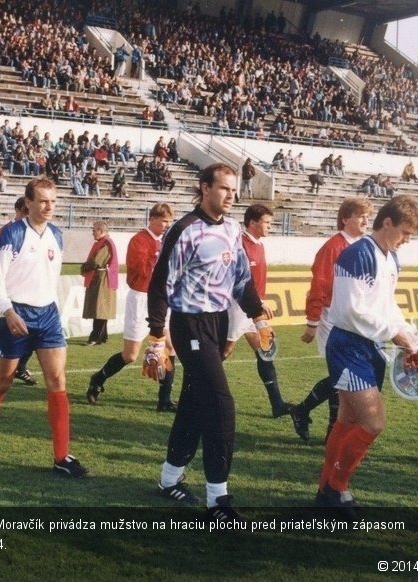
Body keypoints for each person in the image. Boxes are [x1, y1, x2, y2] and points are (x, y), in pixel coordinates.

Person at [147, 163, 271, 520]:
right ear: (204, 188)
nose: (231, 196)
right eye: (224, 189)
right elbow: (160, 286)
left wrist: (258, 315)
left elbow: (241, 281)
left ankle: (169, 479)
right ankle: (218, 500)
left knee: (194, 402)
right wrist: (157, 335)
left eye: (234, 190)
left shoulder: (233, 230)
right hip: (190, 324)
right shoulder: (184, 230)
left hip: (216, 323)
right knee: (220, 404)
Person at [0, 177, 87, 478]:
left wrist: (50, 308)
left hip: (47, 316)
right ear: (28, 203)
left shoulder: (57, 236)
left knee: (57, 379)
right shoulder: (11, 233)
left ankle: (61, 456)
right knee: (3, 381)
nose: (49, 207)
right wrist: (7, 312)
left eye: (53, 201)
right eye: (43, 201)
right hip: (15, 314)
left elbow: (49, 278)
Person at [315, 195, 418, 516]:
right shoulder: (357, 254)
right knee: (373, 422)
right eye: (405, 232)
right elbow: (349, 311)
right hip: (348, 345)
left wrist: (411, 336)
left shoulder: (390, 257)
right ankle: (337, 487)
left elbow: (386, 306)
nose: (407, 240)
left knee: (348, 419)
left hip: (370, 346)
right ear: (386, 223)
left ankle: (324, 491)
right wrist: (395, 334)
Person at [293, 197, 374, 442]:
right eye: (361, 215)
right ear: (345, 218)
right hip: (331, 317)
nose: (366, 220)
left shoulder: (364, 246)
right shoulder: (333, 247)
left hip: (352, 319)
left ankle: (303, 411)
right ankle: (329, 432)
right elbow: (320, 285)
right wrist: (312, 321)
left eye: (367, 216)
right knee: (341, 377)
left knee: (343, 377)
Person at [87, 203, 178, 411]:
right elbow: (139, 273)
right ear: (153, 218)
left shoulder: (166, 243)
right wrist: (160, 258)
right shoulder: (139, 240)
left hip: (161, 300)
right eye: (164, 221)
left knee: (169, 347)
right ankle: (97, 379)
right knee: (130, 355)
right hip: (141, 299)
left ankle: (164, 400)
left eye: (169, 222)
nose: (167, 225)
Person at [224, 204, 292, 418]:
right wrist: (257, 303)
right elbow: (237, 280)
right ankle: (196, 394)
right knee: (223, 352)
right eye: (267, 222)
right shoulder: (239, 244)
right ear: (253, 223)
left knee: (265, 352)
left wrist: (261, 302)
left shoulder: (259, 245)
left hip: (255, 308)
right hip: (237, 306)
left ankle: (277, 404)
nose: (270, 227)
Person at [0, 197, 37, 385]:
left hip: (27, 292)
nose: (28, 216)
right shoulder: (7, 231)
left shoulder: (32, 232)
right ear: (18, 211)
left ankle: (20, 368)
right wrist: (4, 277)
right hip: (6, 293)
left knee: (32, 331)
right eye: (25, 212)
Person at [82, 221, 118, 346]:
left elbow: (97, 262)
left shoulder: (106, 244)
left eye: (94, 230)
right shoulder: (103, 243)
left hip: (102, 279)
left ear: (101, 231)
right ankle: (102, 336)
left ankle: (95, 337)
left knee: (100, 308)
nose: (92, 233)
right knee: (101, 308)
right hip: (100, 278)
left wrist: (85, 266)